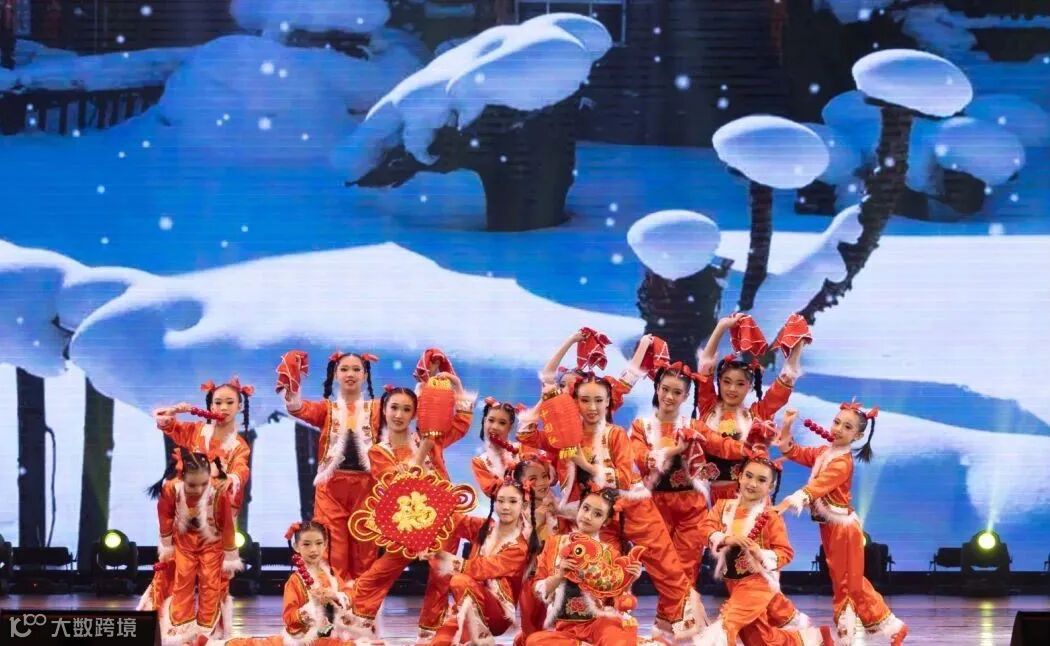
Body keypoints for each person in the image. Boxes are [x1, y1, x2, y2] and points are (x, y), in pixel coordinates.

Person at [775, 406, 908, 645]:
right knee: (852, 581)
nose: (838, 429)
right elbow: (793, 451)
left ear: (857, 436)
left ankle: (846, 636)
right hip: (831, 528)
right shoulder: (824, 452)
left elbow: (819, 486)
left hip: (843, 531)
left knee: (846, 584)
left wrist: (790, 501)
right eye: (837, 422)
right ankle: (892, 627)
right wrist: (787, 424)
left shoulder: (842, 463)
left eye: (847, 427)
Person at [283, 351, 380, 582]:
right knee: (333, 549)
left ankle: (362, 601)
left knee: (365, 549)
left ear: (365, 375)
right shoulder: (327, 409)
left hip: (367, 487)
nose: (350, 374)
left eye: (356, 369)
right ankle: (334, 598)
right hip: (331, 487)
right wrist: (292, 382)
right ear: (335, 374)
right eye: (344, 369)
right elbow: (298, 408)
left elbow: (405, 412)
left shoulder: (377, 409)